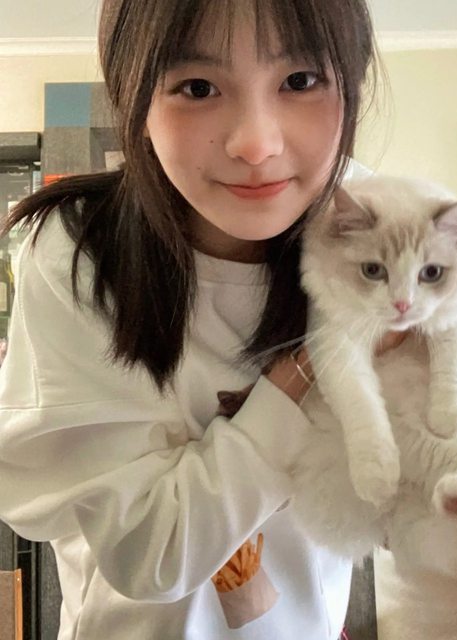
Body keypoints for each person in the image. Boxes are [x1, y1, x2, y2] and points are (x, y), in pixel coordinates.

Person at [0, 0, 383, 638]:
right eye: (198, 88)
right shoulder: (81, 249)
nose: (256, 144)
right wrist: (302, 377)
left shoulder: (370, 228)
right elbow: (152, 553)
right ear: (134, 100)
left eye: (300, 80)